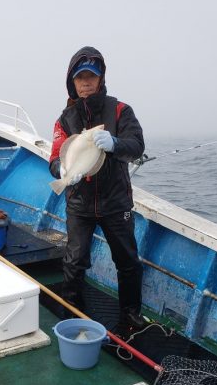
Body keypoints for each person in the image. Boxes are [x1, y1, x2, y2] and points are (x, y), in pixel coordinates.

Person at [49, 45, 147, 335]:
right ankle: (72, 315)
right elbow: (55, 156)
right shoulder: (64, 120)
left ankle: (131, 315)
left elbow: (137, 145)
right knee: (74, 261)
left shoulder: (120, 110)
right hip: (79, 203)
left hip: (115, 202)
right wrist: (63, 172)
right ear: (73, 82)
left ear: (101, 78)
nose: (87, 82)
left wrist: (115, 144)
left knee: (127, 261)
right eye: (81, 78)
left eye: (92, 76)